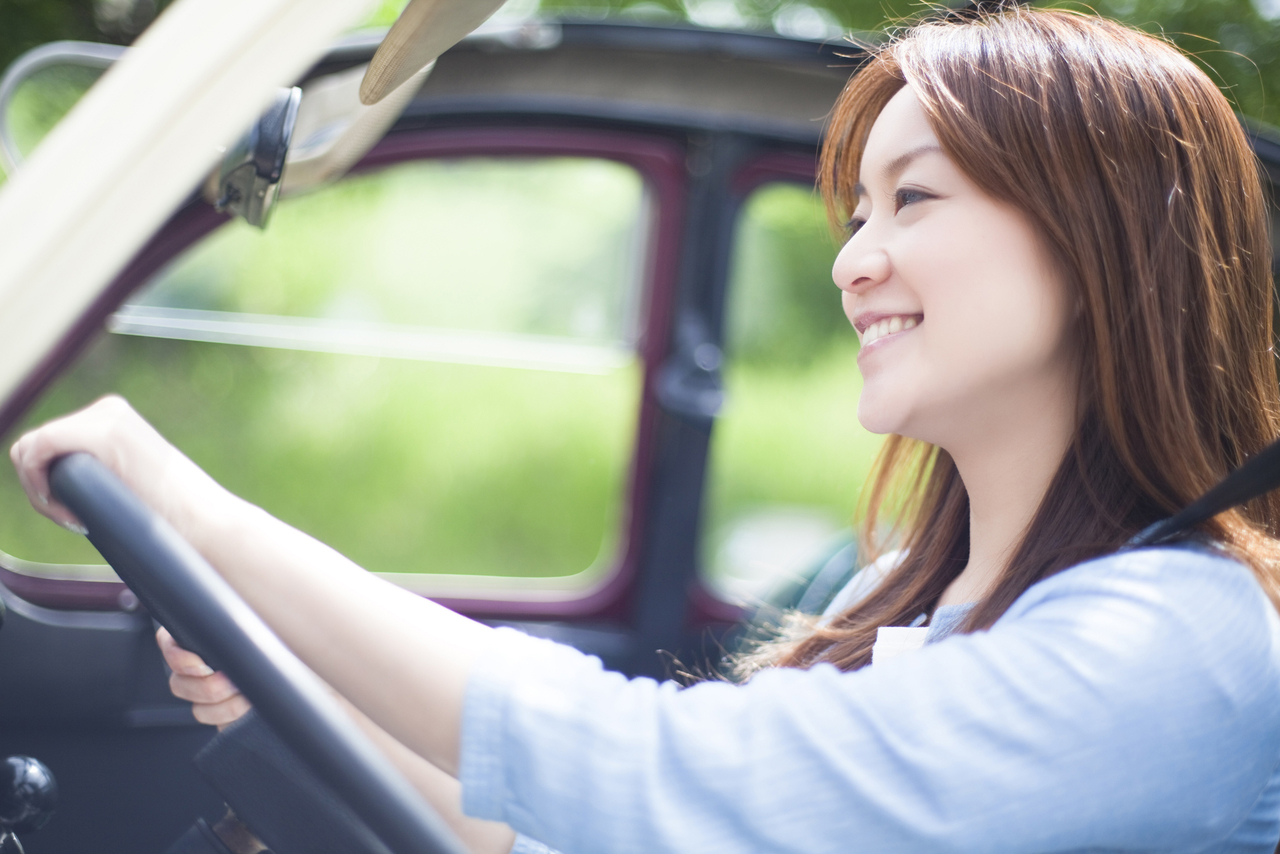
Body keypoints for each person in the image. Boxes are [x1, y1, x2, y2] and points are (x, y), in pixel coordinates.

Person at [11, 6, 1280, 852]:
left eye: (913, 201)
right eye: (853, 216)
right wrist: (284, 703)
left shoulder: (1177, 640)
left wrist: (203, 515)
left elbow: (651, 774)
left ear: (1104, 242)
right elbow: (559, 827)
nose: (852, 261)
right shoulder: (921, 598)